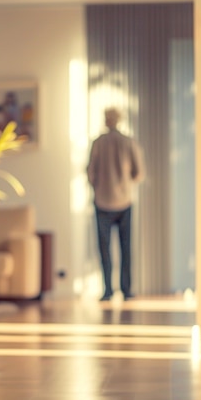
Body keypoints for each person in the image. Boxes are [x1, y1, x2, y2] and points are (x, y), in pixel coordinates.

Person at [87, 107, 145, 301]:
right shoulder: (129, 142)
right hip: (124, 201)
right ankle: (126, 290)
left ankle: (108, 290)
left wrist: (100, 186)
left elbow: (90, 173)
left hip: (102, 201)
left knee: (104, 249)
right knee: (125, 248)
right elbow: (139, 174)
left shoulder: (97, 143)